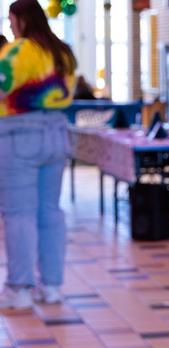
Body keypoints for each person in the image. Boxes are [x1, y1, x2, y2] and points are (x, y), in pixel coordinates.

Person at [0, 0, 77, 309]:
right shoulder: (63, 53)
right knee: (50, 212)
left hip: (19, 134)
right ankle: (53, 286)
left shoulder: (16, 52)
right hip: (57, 133)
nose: (9, 26)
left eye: (10, 20)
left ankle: (19, 290)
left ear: (20, 20)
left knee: (19, 213)